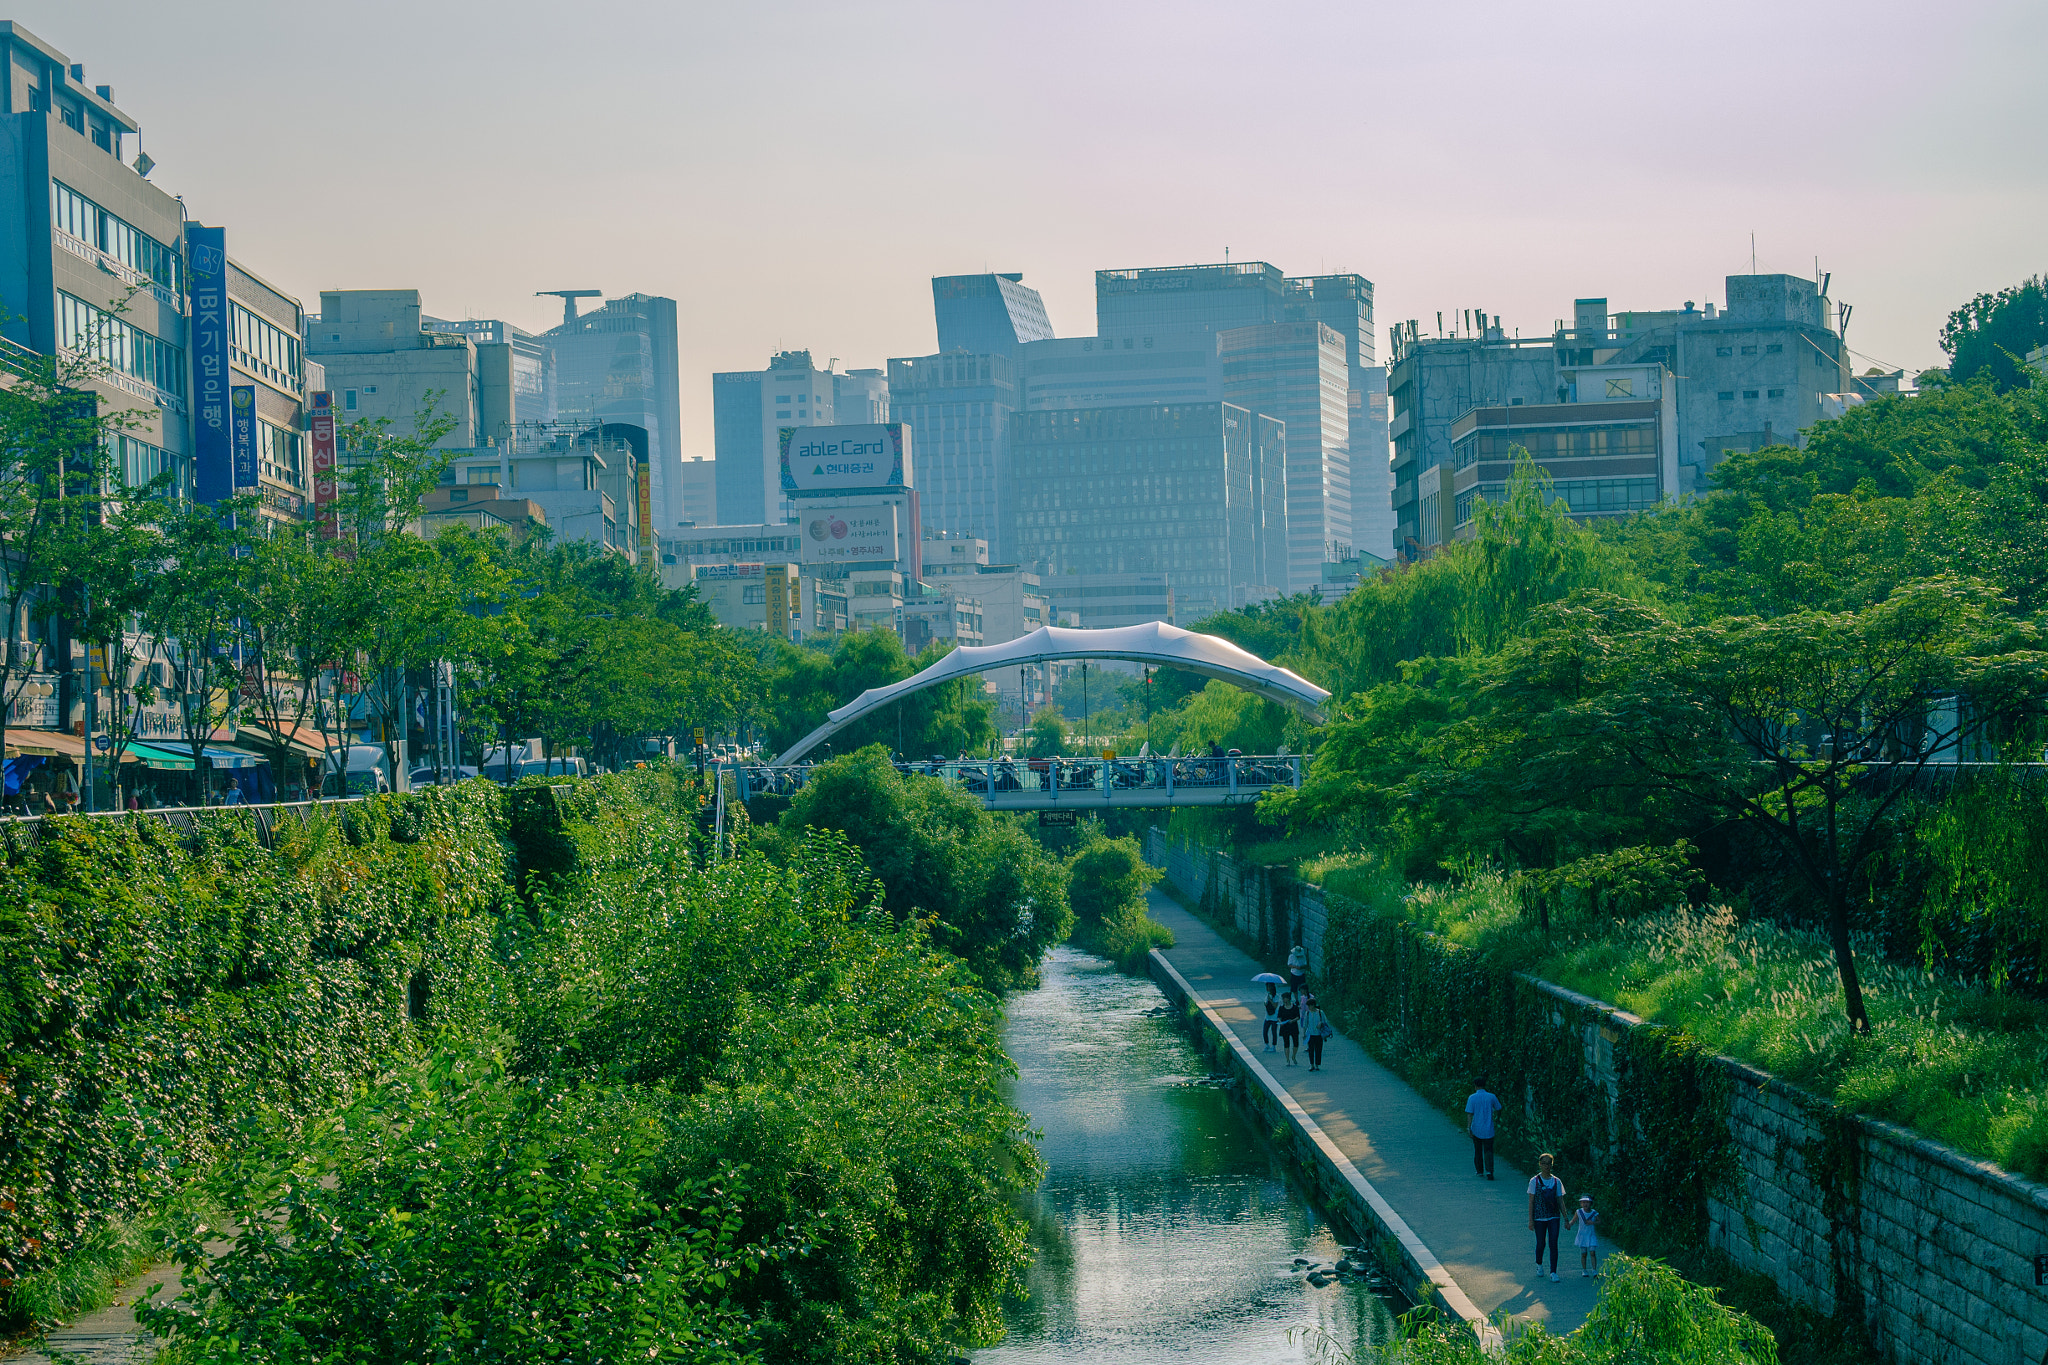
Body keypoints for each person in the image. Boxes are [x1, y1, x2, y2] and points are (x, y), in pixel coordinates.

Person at [1528, 1153, 1565, 1282]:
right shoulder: (1534, 1181)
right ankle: (1539, 1264)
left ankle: (1553, 1271)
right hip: (1539, 1217)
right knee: (1541, 1243)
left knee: (1553, 1243)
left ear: (1552, 1165)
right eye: (1544, 1163)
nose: (1546, 1166)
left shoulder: (1556, 1181)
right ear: (1540, 1164)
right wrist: (1530, 1220)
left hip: (1554, 1216)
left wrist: (1565, 1217)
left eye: (1549, 1163)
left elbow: (1560, 1200)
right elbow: (1531, 1201)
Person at [1466, 1079, 1503, 1179]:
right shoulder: (1491, 1096)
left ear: (1475, 1085)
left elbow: (1470, 1114)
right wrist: (1497, 1119)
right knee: (1488, 1150)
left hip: (1476, 1128)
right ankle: (1489, 1171)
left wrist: (1469, 1127)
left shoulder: (1472, 1098)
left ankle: (1479, 1170)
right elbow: (1499, 1108)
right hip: (1489, 1128)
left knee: (1477, 1150)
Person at [1569, 1194, 1600, 1277]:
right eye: (1583, 1202)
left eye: (1587, 1202)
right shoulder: (1579, 1212)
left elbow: (1599, 1222)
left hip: (1591, 1235)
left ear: (1590, 1203)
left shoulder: (1594, 1213)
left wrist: (1593, 1223)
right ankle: (1584, 1270)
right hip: (1582, 1235)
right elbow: (1573, 1220)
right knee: (1583, 1254)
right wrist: (1569, 1225)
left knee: (1592, 1252)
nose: (1585, 1204)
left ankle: (1594, 1270)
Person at [1301, 994, 1333, 1072]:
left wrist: (1321, 1023)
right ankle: (1311, 1064)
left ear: (1313, 1005)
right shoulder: (1307, 1013)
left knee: (1318, 1050)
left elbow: (1325, 1021)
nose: (1309, 1007)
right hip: (1310, 1034)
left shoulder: (1320, 1012)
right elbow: (1305, 1024)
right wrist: (1304, 1033)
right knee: (1311, 1050)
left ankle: (1317, 1064)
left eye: (1310, 1006)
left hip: (1319, 1034)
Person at [1277, 990, 1301, 1066]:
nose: (1283, 1000)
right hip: (1285, 1027)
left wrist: (1292, 1020)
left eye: (1284, 998)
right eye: (1283, 998)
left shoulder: (1294, 1007)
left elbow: (1298, 1017)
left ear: (1288, 998)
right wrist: (1280, 1022)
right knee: (1286, 1043)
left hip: (1293, 1026)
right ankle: (1287, 1059)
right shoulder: (1281, 1008)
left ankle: (1293, 1056)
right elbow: (1279, 1017)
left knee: (1296, 1043)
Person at [1262, 981, 1280, 1053]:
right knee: (1265, 1031)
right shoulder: (1267, 995)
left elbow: (1275, 1006)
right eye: (1266, 987)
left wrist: (1270, 1000)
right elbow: (1265, 1004)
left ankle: (1273, 1046)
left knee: (1274, 1031)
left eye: (1268, 986)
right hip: (1267, 1016)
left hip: (1274, 1017)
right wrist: (1266, 1002)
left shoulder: (1276, 996)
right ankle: (1266, 1044)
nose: (1267, 988)